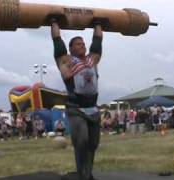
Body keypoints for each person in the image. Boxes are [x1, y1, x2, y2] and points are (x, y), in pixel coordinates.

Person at [50, 16, 104, 180]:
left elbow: (97, 43)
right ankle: (82, 175)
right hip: (76, 108)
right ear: (71, 48)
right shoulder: (67, 62)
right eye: (79, 44)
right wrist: (54, 22)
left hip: (93, 108)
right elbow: (57, 44)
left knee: (93, 144)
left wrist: (98, 24)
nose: (83, 46)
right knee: (81, 142)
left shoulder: (91, 60)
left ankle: (87, 174)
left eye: (83, 43)